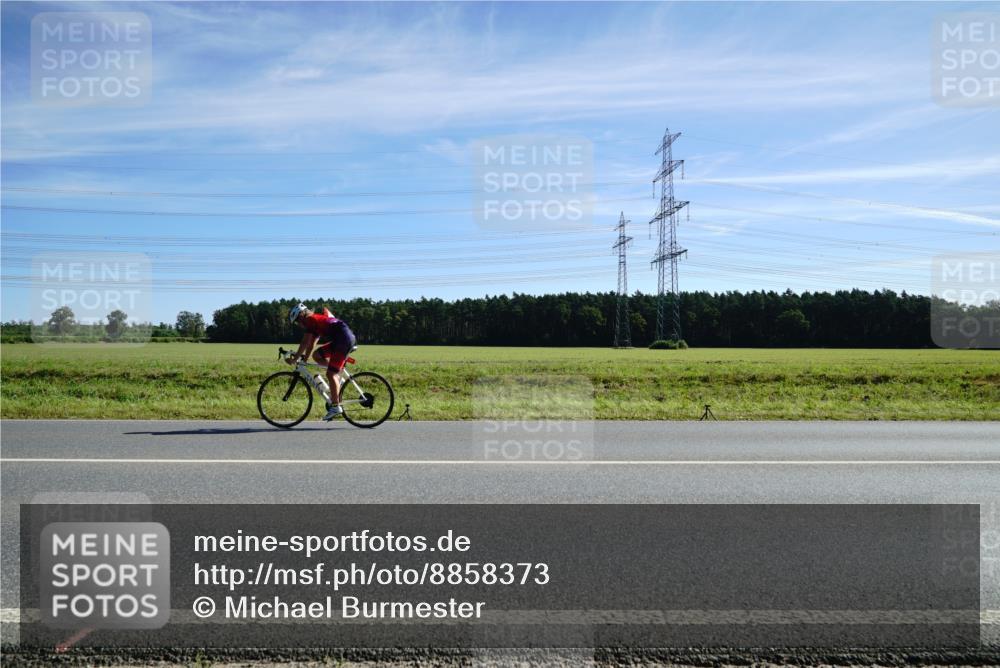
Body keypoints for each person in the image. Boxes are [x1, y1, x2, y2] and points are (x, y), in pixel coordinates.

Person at [287, 303, 357, 421]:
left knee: (330, 374)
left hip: (343, 340)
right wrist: (305, 358)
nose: (299, 324)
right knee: (317, 355)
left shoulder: (310, 319)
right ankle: (336, 377)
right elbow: (311, 344)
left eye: (298, 320)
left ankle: (335, 407)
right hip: (342, 338)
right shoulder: (315, 321)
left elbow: (305, 342)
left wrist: (295, 359)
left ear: (302, 315)